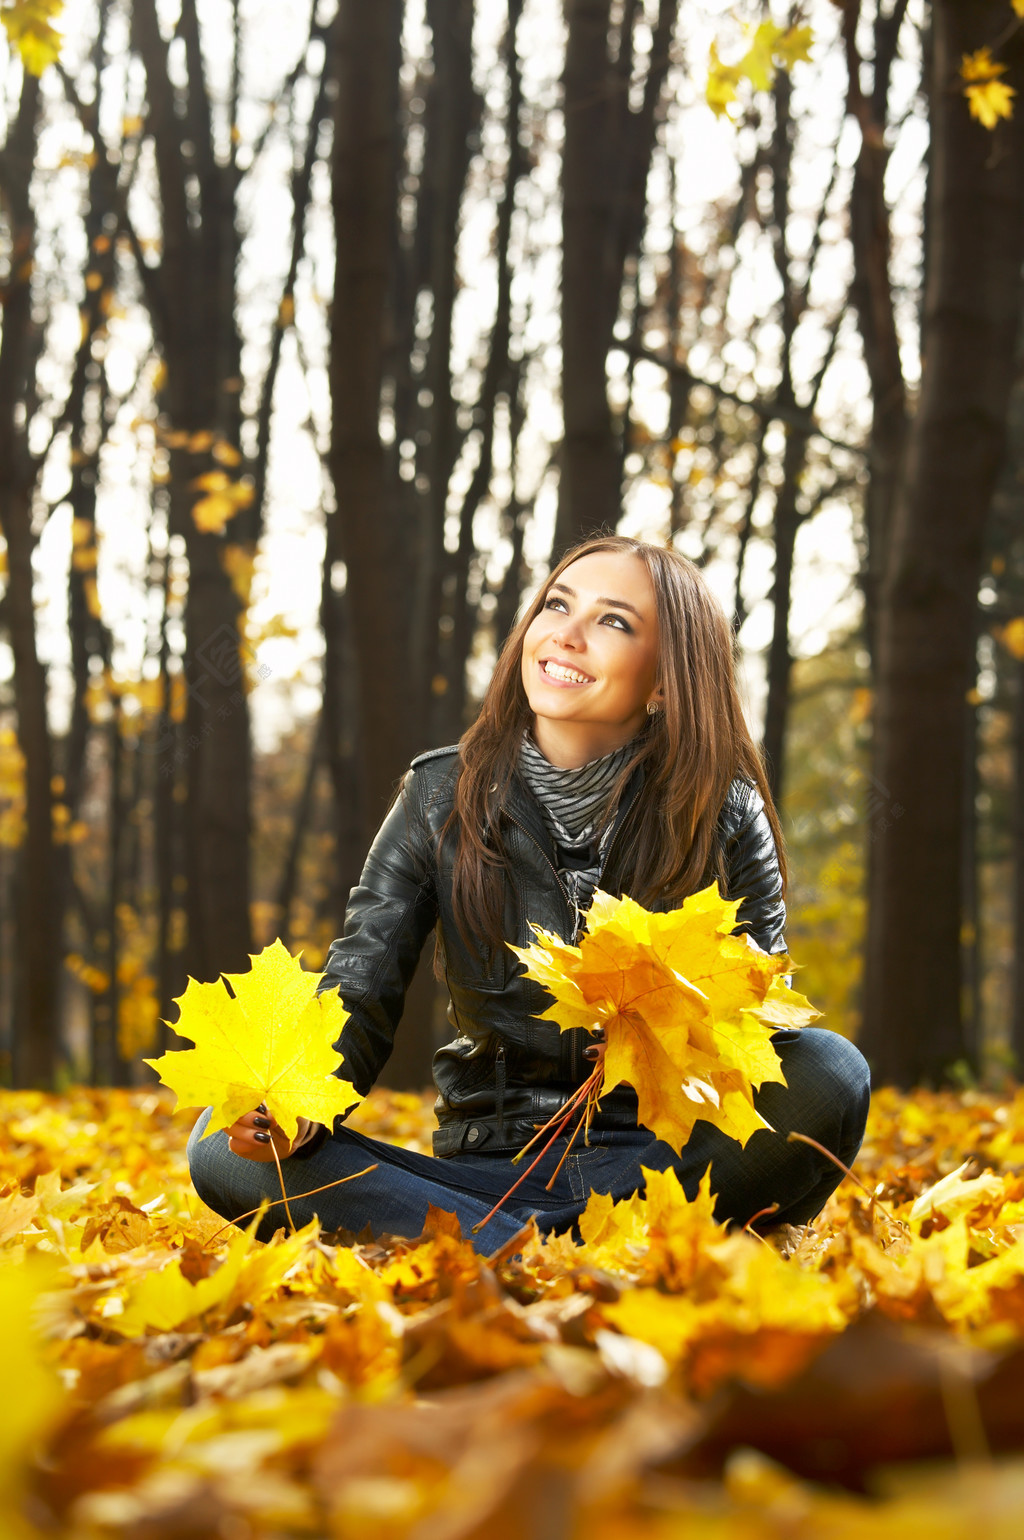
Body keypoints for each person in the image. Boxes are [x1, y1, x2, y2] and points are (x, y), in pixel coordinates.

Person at [188, 535, 870, 1252]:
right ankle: (551, 1242)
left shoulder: (724, 812)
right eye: (556, 605)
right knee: (218, 1142)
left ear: (667, 681)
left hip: (660, 1160)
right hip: (486, 1171)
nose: (565, 636)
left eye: (613, 621)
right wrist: (297, 1107)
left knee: (832, 1072)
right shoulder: (436, 796)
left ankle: (496, 1244)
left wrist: (657, 1009)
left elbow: (758, 1028)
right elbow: (358, 986)